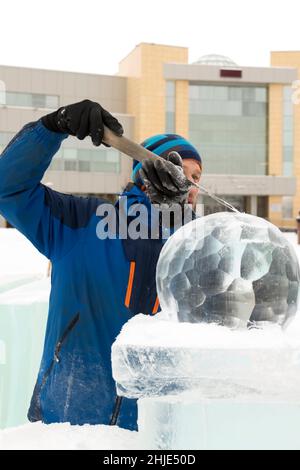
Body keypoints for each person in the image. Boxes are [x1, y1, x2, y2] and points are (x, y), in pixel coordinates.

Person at [0, 100, 202, 430]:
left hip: (154, 438)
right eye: (177, 168)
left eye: (196, 177)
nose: (189, 184)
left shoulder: (195, 252)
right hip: (65, 429)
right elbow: (8, 189)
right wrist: (52, 127)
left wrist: (174, 224)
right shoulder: (80, 222)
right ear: (144, 170)